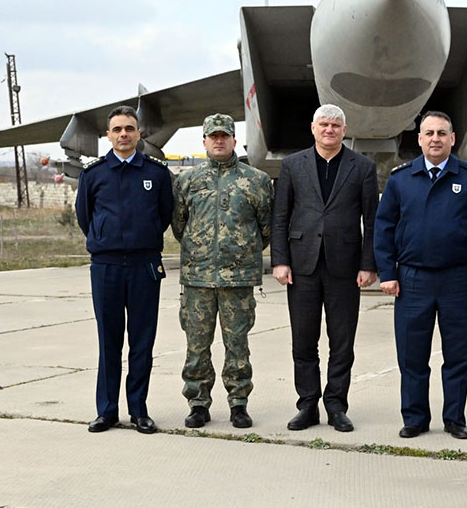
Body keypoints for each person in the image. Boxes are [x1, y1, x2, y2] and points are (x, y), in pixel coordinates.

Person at [374, 111, 467, 440]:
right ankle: (414, 417)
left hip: (459, 280)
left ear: (453, 138)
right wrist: (388, 272)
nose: (435, 139)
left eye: (442, 133)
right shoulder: (400, 180)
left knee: (458, 354)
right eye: (429, 133)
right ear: (419, 139)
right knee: (412, 354)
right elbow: (383, 228)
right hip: (412, 279)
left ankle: (454, 417)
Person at [272, 104, 379, 433]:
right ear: (313, 128)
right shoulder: (292, 165)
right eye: (324, 125)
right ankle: (307, 404)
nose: (329, 130)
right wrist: (279, 260)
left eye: (335, 125)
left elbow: (372, 220)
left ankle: (336, 404)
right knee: (304, 340)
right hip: (302, 265)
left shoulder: (362, 167)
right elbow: (280, 215)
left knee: (342, 341)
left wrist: (368, 264)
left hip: (345, 267)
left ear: (344, 131)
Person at [75, 105, 174, 434]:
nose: (123, 135)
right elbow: (84, 218)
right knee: (109, 341)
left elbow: (163, 217)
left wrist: (142, 239)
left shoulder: (156, 174)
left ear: (139, 133)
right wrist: (105, 238)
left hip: (145, 265)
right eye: (117, 130)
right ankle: (107, 411)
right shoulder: (94, 174)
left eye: (129, 129)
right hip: (107, 266)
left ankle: (139, 410)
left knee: (142, 341)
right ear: (108, 135)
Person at [172, 114, 273, 429]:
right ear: (203, 141)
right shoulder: (187, 181)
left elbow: (265, 227)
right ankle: (198, 403)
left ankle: (239, 403)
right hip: (197, 279)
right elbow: (179, 225)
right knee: (197, 346)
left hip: (237, 279)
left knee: (237, 345)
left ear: (233, 140)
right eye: (212, 136)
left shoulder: (256, 180)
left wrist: (240, 251)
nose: (219, 141)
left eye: (224, 136)